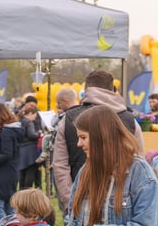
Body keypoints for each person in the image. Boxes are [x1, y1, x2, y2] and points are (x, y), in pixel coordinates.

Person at [52, 70, 145, 215]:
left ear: (85, 90)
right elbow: (139, 160)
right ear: (113, 90)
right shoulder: (130, 120)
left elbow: (59, 164)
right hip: (121, 203)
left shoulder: (69, 118)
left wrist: (70, 200)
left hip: (83, 199)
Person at [17, 104, 43, 189]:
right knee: (30, 173)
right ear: (31, 113)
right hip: (30, 151)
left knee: (22, 174)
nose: (35, 118)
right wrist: (39, 133)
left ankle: (21, 192)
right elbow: (32, 135)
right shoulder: (29, 122)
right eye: (35, 115)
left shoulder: (20, 121)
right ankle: (27, 192)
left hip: (21, 150)